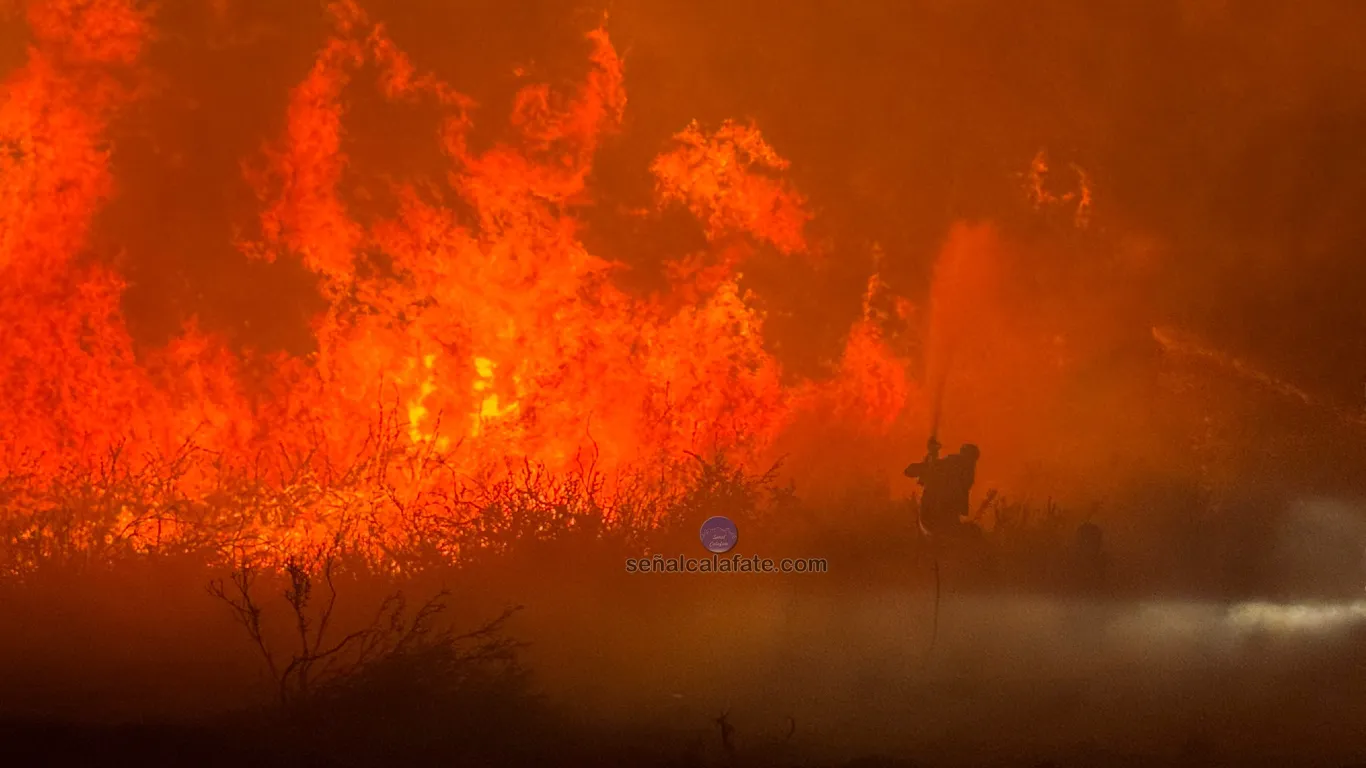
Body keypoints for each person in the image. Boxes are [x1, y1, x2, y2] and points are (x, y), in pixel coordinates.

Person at [904, 442, 980, 538]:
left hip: (941, 517)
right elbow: (912, 471)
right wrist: (932, 455)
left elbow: (916, 470)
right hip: (935, 515)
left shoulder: (963, 472)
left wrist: (932, 456)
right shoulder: (953, 465)